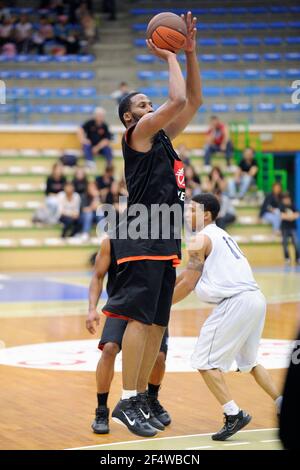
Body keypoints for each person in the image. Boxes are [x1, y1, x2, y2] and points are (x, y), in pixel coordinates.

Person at [101, 11, 202, 438]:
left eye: (148, 103)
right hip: (143, 226)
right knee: (141, 322)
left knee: (158, 322)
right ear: (130, 119)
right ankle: (126, 400)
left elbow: (193, 100)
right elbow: (177, 100)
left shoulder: (162, 138)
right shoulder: (137, 136)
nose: (150, 107)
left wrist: (190, 53)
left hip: (166, 227)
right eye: (142, 104)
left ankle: (141, 395)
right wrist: (168, 56)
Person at [173, 193, 282, 441]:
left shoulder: (200, 239)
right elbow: (186, 276)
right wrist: (169, 286)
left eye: (192, 210)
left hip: (235, 303)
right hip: (255, 299)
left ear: (206, 215)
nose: (187, 214)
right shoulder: (221, 234)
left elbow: (189, 283)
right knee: (250, 362)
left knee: (204, 361)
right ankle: (281, 402)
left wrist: (161, 306)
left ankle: (233, 414)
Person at [86, 236, 171, 434]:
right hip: (122, 303)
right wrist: (92, 309)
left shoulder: (158, 240)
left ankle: (149, 401)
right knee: (109, 349)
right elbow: (98, 276)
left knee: (158, 356)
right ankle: (101, 409)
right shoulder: (111, 241)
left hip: (149, 305)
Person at [279, 192, 300, 265]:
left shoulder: (293, 205)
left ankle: (297, 258)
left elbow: (297, 214)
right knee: (285, 244)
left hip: (292, 228)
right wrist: (291, 216)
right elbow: (282, 216)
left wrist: (289, 216)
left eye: (287, 198)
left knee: (296, 243)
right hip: (284, 228)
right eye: (284, 199)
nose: (286, 200)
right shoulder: (281, 206)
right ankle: (287, 258)